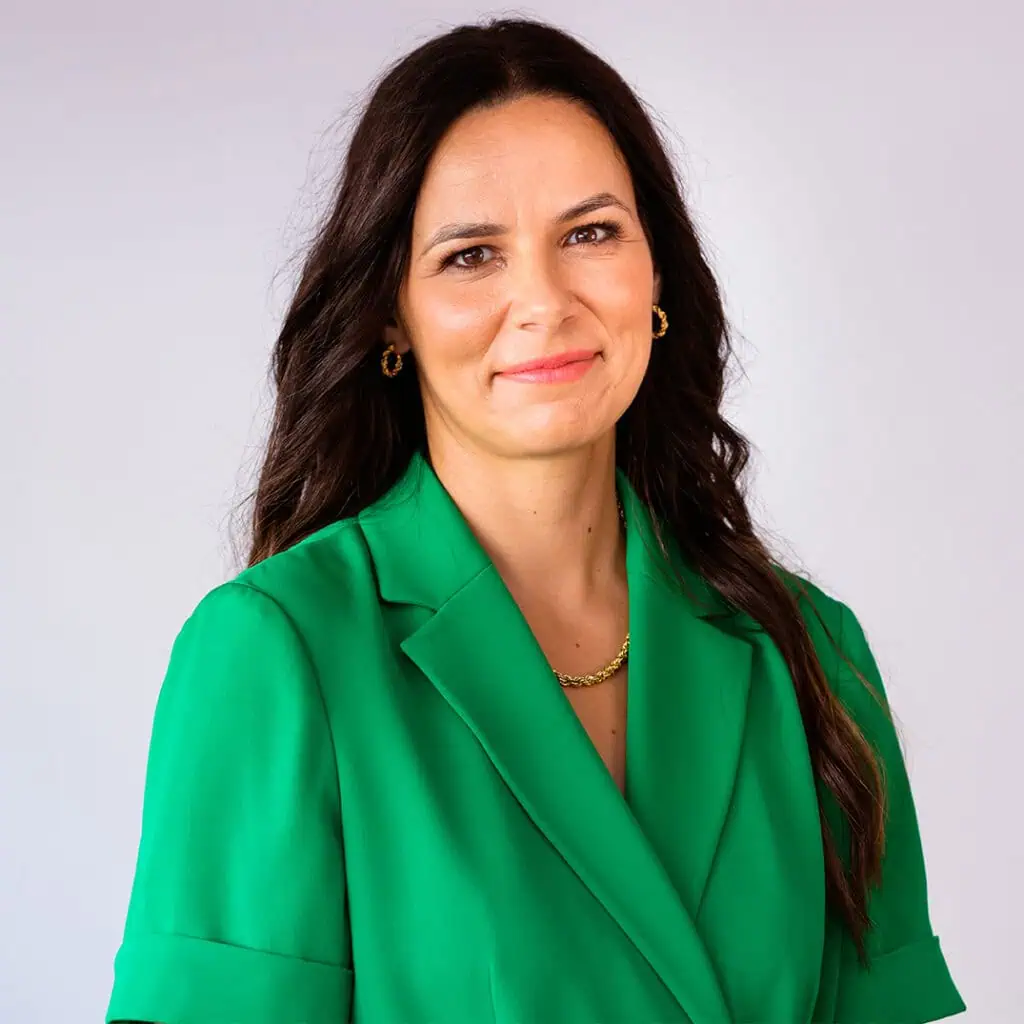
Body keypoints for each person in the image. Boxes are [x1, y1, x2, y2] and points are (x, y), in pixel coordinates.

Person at [105, 17, 966, 1024]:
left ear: (656, 275)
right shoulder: (275, 653)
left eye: (590, 234)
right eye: (471, 255)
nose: (544, 301)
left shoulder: (811, 652)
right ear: (391, 315)